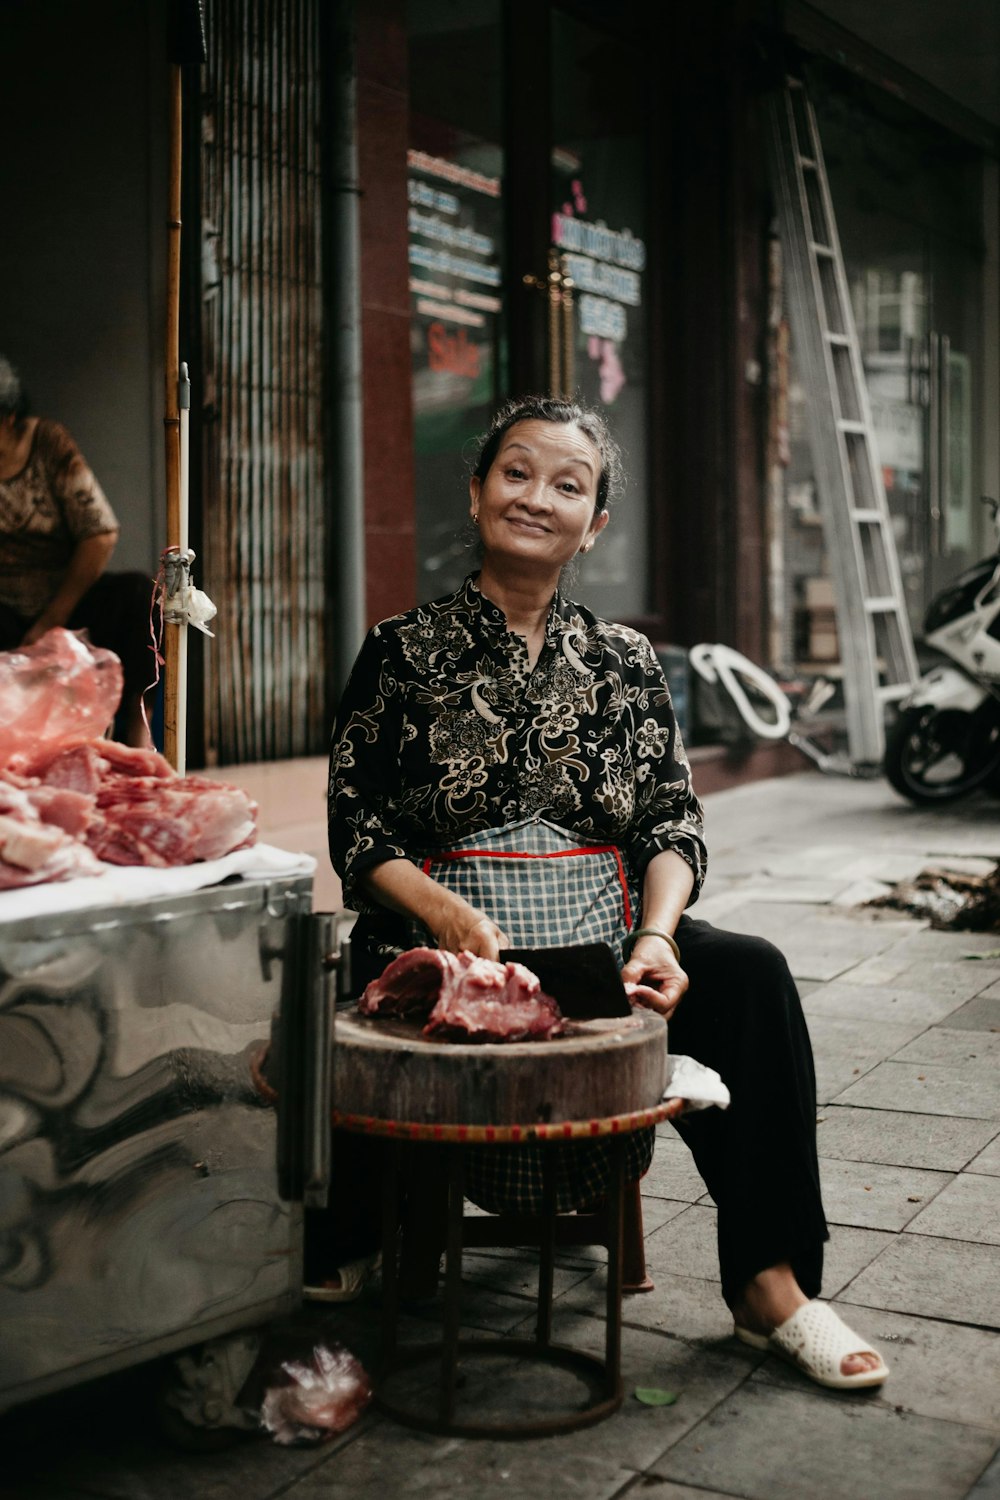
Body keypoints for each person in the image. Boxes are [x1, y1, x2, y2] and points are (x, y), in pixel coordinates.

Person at [321, 394, 888, 1392]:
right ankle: (357, 1233)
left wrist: (659, 937)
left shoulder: (625, 662)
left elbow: (670, 825)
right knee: (349, 993)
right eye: (516, 472)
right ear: (476, 488)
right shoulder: (400, 649)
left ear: (597, 522)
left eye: (567, 485)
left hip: (598, 939)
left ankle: (769, 1283)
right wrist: (444, 915)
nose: (536, 497)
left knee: (748, 976)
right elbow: (358, 829)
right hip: (448, 944)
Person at [0, 355, 156, 747]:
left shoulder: (48, 444)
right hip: (4, 612)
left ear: (8, 417)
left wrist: (51, 620)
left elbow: (99, 533)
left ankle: (138, 732)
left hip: (66, 604)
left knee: (140, 593)